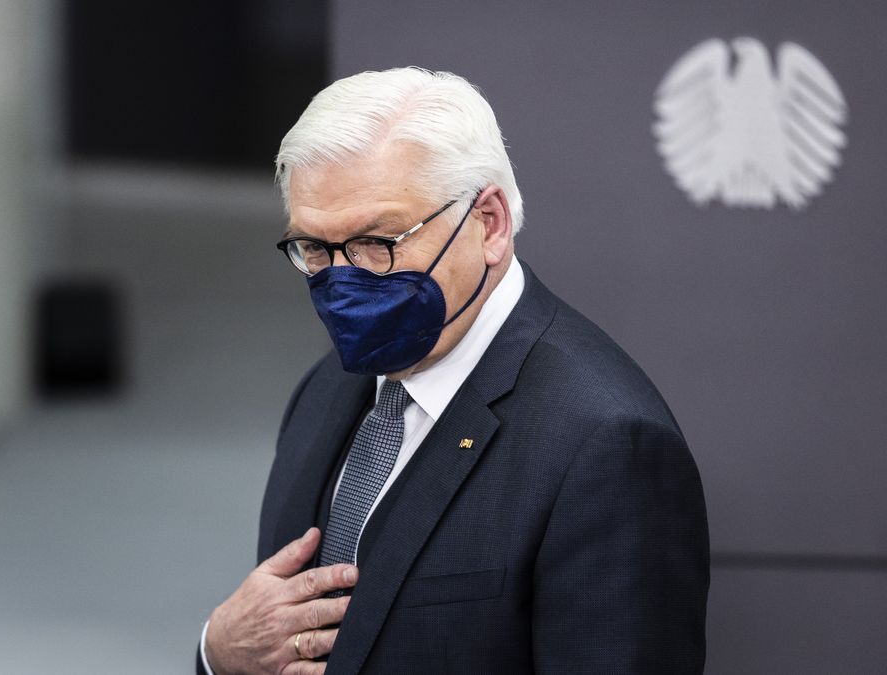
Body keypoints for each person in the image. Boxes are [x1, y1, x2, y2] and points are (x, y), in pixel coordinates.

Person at [199, 66, 709, 674]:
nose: (343, 283)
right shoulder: (328, 386)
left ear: (488, 223)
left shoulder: (604, 442)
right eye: (314, 249)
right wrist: (219, 654)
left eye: (377, 243)